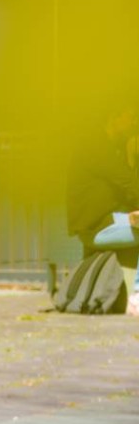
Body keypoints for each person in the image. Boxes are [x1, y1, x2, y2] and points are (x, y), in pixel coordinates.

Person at [66, 109, 139, 293]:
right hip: (96, 227)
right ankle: (137, 296)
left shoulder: (110, 146)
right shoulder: (97, 147)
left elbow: (128, 190)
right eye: (130, 117)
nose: (133, 123)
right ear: (113, 117)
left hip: (106, 221)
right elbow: (128, 182)